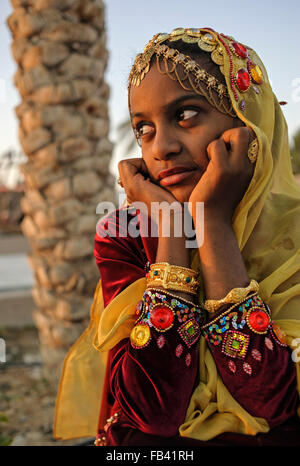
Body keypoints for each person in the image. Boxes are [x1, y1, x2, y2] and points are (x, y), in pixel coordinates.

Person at [53, 27, 300, 446]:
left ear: (248, 123)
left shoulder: (293, 234)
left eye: (185, 114)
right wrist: (173, 229)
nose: (161, 147)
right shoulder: (126, 235)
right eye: (143, 129)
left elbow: (272, 405)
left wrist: (212, 225)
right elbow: (154, 414)